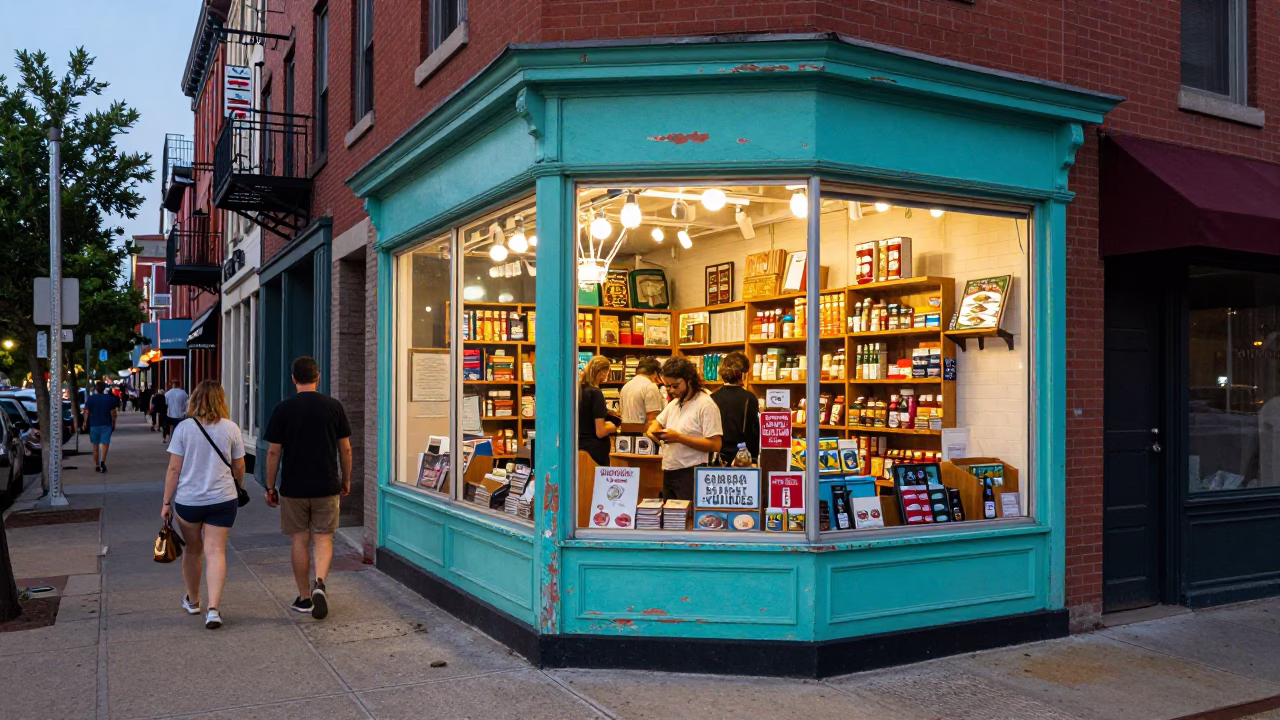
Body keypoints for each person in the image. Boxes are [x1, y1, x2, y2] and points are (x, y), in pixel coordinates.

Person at [263, 356, 352, 620]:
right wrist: (345, 479)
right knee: (324, 538)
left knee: (299, 540)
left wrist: (270, 486)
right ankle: (320, 583)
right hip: (326, 484)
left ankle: (304, 598)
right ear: (318, 377)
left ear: (293, 379)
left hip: (294, 486)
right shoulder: (334, 407)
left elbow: (272, 453)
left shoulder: (282, 409)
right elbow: (345, 449)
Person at [160, 380, 246, 630]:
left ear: (195, 399)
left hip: (189, 501)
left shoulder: (184, 429)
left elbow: (174, 468)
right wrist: (238, 486)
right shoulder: (231, 428)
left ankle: (194, 600)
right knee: (216, 551)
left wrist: (166, 502)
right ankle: (214, 610)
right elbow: (239, 465)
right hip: (223, 499)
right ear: (221, 399)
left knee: (193, 551)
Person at [646, 357, 723, 500]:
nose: (671, 391)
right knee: (671, 519)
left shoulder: (705, 404)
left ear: (689, 380)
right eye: (667, 386)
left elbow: (715, 444)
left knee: (688, 518)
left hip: (692, 472)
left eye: (675, 386)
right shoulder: (675, 403)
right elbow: (656, 423)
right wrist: (656, 433)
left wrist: (678, 438)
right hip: (670, 469)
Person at [711, 352, 760, 465]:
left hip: (717, 458)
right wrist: (754, 459)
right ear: (742, 374)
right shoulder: (749, 398)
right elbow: (753, 432)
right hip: (741, 459)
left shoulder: (712, 398)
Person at [579, 355, 618, 467]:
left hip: (579, 448)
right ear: (602, 372)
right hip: (595, 453)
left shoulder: (578, 390)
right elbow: (600, 432)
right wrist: (612, 426)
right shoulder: (596, 393)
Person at [81, 382, 119, 473]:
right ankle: (102, 461)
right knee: (105, 444)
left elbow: (86, 411)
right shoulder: (110, 399)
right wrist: (114, 423)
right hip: (106, 424)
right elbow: (113, 412)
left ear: (96, 388)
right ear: (104, 388)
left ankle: (97, 465)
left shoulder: (91, 399)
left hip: (94, 424)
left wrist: (85, 422)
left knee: (95, 446)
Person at [618, 357, 665, 425]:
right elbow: (652, 417)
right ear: (655, 373)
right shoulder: (650, 386)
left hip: (625, 431)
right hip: (643, 432)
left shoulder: (625, 386)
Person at [163, 379, 189, 443]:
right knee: (180, 428)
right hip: (181, 414)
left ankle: (171, 440)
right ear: (179, 384)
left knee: (171, 427)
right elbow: (186, 404)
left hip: (170, 414)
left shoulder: (167, 394)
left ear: (172, 384)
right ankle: (178, 441)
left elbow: (166, 404)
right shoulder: (183, 393)